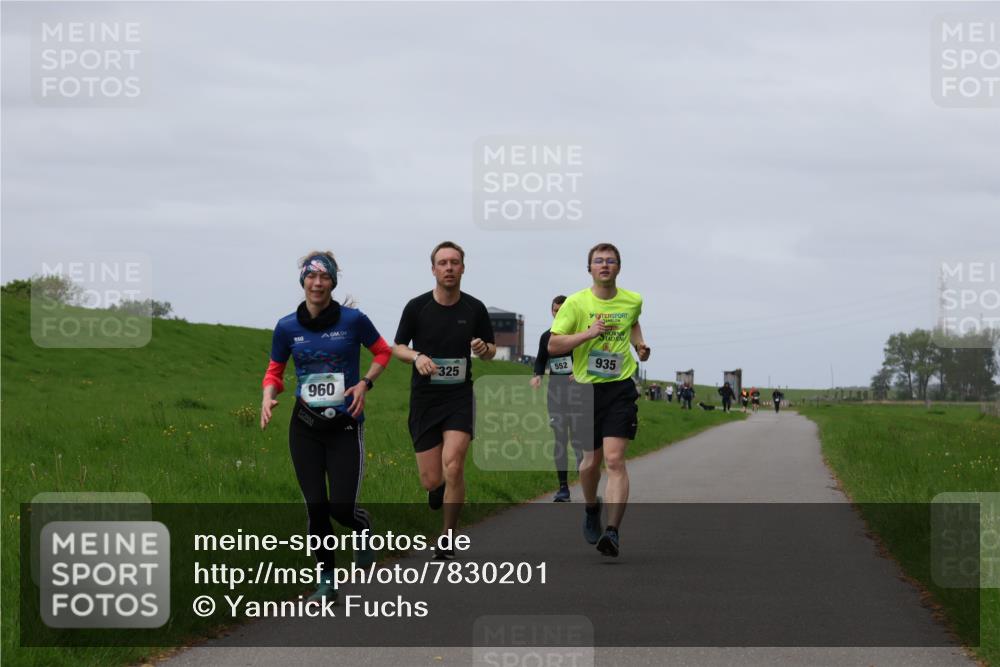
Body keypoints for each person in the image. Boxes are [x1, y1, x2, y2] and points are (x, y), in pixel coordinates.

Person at [260, 251, 392, 603]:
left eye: (325, 278)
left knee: (341, 508)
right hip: (304, 426)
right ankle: (327, 581)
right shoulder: (287, 327)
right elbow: (274, 371)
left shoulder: (353, 321)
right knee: (316, 507)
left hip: (346, 426)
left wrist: (364, 383)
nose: (317, 284)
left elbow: (383, 352)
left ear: (333, 282)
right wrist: (268, 396)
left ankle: (362, 528)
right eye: (311, 277)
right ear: (302, 280)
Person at [392, 241, 496, 560]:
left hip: (459, 397)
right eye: (443, 263)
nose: (449, 268)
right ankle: (437, 490)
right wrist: (416, 356)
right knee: (431, 479)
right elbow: (397, 347)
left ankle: (448, 537)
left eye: (454, 262)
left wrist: (483, 349)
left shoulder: (474, 309)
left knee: (454, 464)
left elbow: (491, 350)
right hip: (425, 398)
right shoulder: (416, 307)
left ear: (463, 268)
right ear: (433, 269)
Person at [548, 242, 649, 557]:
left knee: (615, 460)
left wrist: (640, 345)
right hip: (585, 390)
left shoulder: (633, 300)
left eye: (610, 261)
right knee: (590, 462)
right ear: (589, 268)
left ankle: (613, 532)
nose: (604, 265)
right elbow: (553, 344)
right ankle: (592, 507)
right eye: (598, 261)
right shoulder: (576, 304)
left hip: (619, 388)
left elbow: (632, 322)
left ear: (619, 267)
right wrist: (587, 334)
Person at [531, 295, 584, 502]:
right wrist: (537, 376)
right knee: (560, 438)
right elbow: (540, 360)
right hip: (556, 394)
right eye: (555, 311)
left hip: (579, 393)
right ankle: (563, 488)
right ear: (552, 312)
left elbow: (592, 358)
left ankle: (583, 470)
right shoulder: (547, 337)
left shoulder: (580, 335)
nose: (558, 313)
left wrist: (580, 372)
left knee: (578, 439)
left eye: (563, 310)